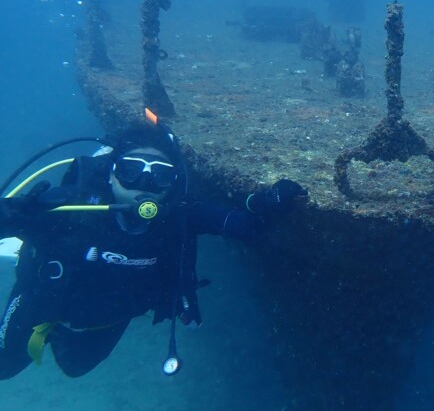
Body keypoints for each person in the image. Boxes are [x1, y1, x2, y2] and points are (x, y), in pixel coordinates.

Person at [0, 118, 307, 379]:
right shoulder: (70, 206)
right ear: (111, 172)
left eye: (159, 174)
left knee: (76, 366)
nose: (143, 184)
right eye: (131, 170)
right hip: (41, 302)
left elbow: (246, 227)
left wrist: (269, 203)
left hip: (109, 317)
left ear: (172, 183)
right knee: (3, 366)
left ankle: (58, 335)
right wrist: (16, 215)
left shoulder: (182, 213)